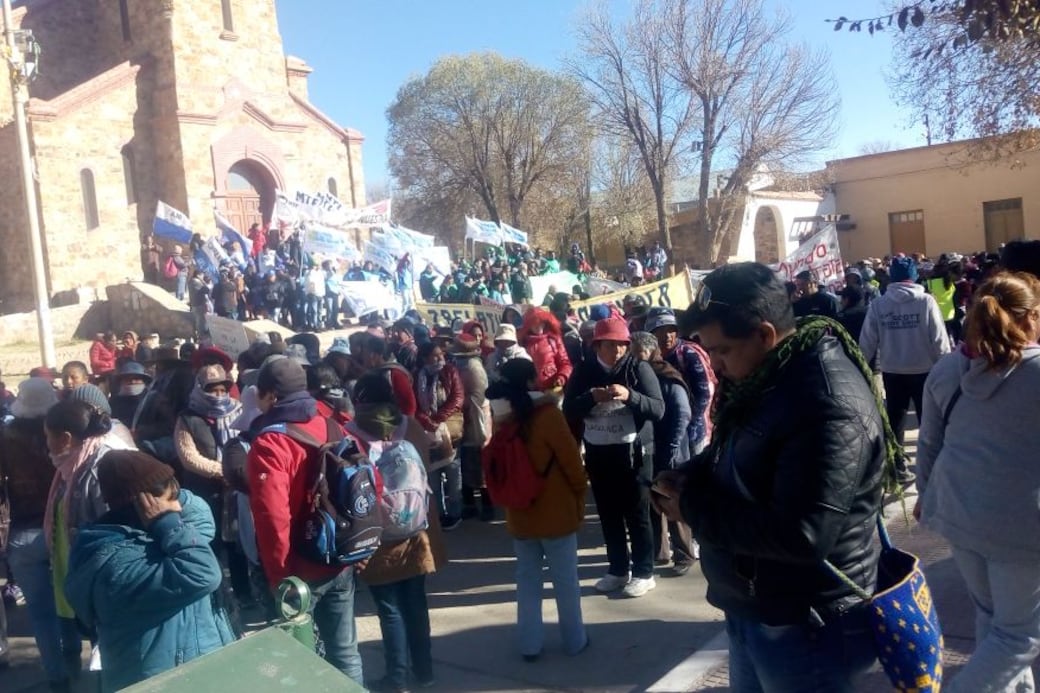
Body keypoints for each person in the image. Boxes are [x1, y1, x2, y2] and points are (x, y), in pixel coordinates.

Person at [654, 262, 889, 691]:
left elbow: (803, 535)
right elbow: (736, 455)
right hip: (756, 607)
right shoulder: (765, 377)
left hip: (806, 623)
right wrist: (688, 475)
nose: (715, 364)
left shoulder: (825, 403)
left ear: (765, 335)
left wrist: (691, 508)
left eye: (722, 351)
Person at [915, 272, 1040, 693]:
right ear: (1031, 317)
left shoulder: (947, 368)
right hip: (1021, 526)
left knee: (992, 619)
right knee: (1019, 636)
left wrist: (925, 493)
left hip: (958, 511)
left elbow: (929, 442)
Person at [64, 451, 235, 692]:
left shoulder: (163, 534)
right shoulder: (117, 566)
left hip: (195, 675)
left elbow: (201, 515)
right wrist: (166, 521)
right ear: (142, 508)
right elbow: (203, 574)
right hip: (160, 683)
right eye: (170, 503)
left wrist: (166, 493)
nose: (179, 509)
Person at [247, 357, 365, 684]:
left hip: (299, 569)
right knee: (345, 653)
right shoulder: (333, 425)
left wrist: (279, 577)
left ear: (271, 396)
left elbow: (273, 517)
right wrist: (362, 547)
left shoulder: (270, 443)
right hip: (339, 558)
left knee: (298, 661)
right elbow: (369, 485)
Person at [487, 358, 589, 661]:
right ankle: (575, 640)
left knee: (527, 582)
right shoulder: (548, 415)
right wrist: (580, 491)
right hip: (555, 511)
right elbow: (571, 461)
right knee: (565, 581)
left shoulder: (502, 416)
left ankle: (529, 644)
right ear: (532, 380)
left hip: (520, 512)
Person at [351, 372, 445, 692]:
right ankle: (425, 671)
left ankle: (397, 677)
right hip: (415, 532)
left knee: (389, 610)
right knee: (416, 604)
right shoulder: (409, 427)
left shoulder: (352, 433)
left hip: (378, 536)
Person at [563, 318, 664, 598]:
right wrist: (590, 398)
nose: (617, 351)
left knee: (638, 514)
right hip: (599, 452)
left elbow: (658, 409)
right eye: (610, 345)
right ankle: (618, 570)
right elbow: (568, 410)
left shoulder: (639, 368)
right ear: (597, 346)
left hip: (634, 454)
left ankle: (644, 572)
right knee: (609, 513)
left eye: (622, 345)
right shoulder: (584, 370)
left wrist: (630, 396)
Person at [43, 399, 135, 678]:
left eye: (48, 437)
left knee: (110, 657)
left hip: (104, 583)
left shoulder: (99, 468)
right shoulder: (73, 465)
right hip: (83, 575)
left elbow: (113, 532)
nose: (46, 444)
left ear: (65, 438)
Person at [1, 379, 79, 690]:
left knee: (40, 611)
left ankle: (56, 675)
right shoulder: (63, 434)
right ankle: (73, 652)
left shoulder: (5, 438)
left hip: (22, 531)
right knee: (68, 596)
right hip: (61, 527)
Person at [859, 256, 950, 484]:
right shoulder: (926, 302)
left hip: (893, 370)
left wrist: (860, 365)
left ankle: (897, 465)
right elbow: (939, 338)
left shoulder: (879, 304)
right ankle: (932, 467)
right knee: (928, 420)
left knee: (895, 420)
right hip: (924, 370)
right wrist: (945, 366)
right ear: (914, 276)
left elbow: (867, 340)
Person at [174, 365, 249, 604]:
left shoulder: (239, 410)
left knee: (237, 544)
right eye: (212, 390)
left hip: (235, 490)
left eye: (222, 390)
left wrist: (237, 473)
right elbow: (189, 457)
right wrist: (222, 471)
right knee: (210, 542)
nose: (218, 395)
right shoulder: (187, 418)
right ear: (200, 389)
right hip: (205, 491)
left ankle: (244, 593)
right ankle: (217, 597)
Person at [630, 332, 697, 575]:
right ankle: (660, 551)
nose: (634, 358)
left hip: (671, 451)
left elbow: (682, 414)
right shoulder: (639, 377)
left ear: (650, 351)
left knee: (673, 500)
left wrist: (671, 448)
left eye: (637, 353)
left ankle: (684, 554)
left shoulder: (667, 377)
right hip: (650, 449)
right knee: (655, 502)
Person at [645, 308, 715, 455]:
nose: (667, 336)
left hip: (693, 429)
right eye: (661, 331)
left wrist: (692, 423)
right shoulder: (650, 358)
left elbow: (704, 393)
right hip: (668, 428)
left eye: (671, 330)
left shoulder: (688, 354)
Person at [413, 341, 465, 531]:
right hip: (427, 434)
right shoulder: (417, 376)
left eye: (441, 354)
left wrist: (437, 418)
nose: (440, 358)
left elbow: (457, 398)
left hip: (450, 430)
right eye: (435, 355)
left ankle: (456, 513)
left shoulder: (450, 371)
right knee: (433, 477)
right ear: (424, 358)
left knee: (453, 473)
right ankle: (439, 515)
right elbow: (414, 404)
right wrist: (427, 422)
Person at [449, 335, 492, 522]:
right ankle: (469, 504)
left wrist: (459, 402)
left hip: (475, 419)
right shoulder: (461, 366)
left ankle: (487, 504)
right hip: (465, 418)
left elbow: (478, 396)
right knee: (465, 463)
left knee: (479, 463)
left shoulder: (474, 368)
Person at [358, 334, 417, 418]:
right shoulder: (371, 373)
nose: (362, 358)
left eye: (364, 354)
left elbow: (409, 405)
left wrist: (405, 423)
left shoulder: (395, 373)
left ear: (373, 355)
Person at [519, 308, 572, 392]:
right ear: (528, 326)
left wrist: (562, 377)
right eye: (535, 323)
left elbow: (565, 363)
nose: (539, 325)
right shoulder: (523, 343)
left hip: (554, 388)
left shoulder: (553, 339)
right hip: (532, 391)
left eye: (541, 322)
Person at [108, 361, 151, 428]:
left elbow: (162, 425)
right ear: (121, 382)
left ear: (144, 381)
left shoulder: (152, 400)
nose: (132, 382)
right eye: (128, 379)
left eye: (136, 379)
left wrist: (141, 431)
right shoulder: (114, 401)